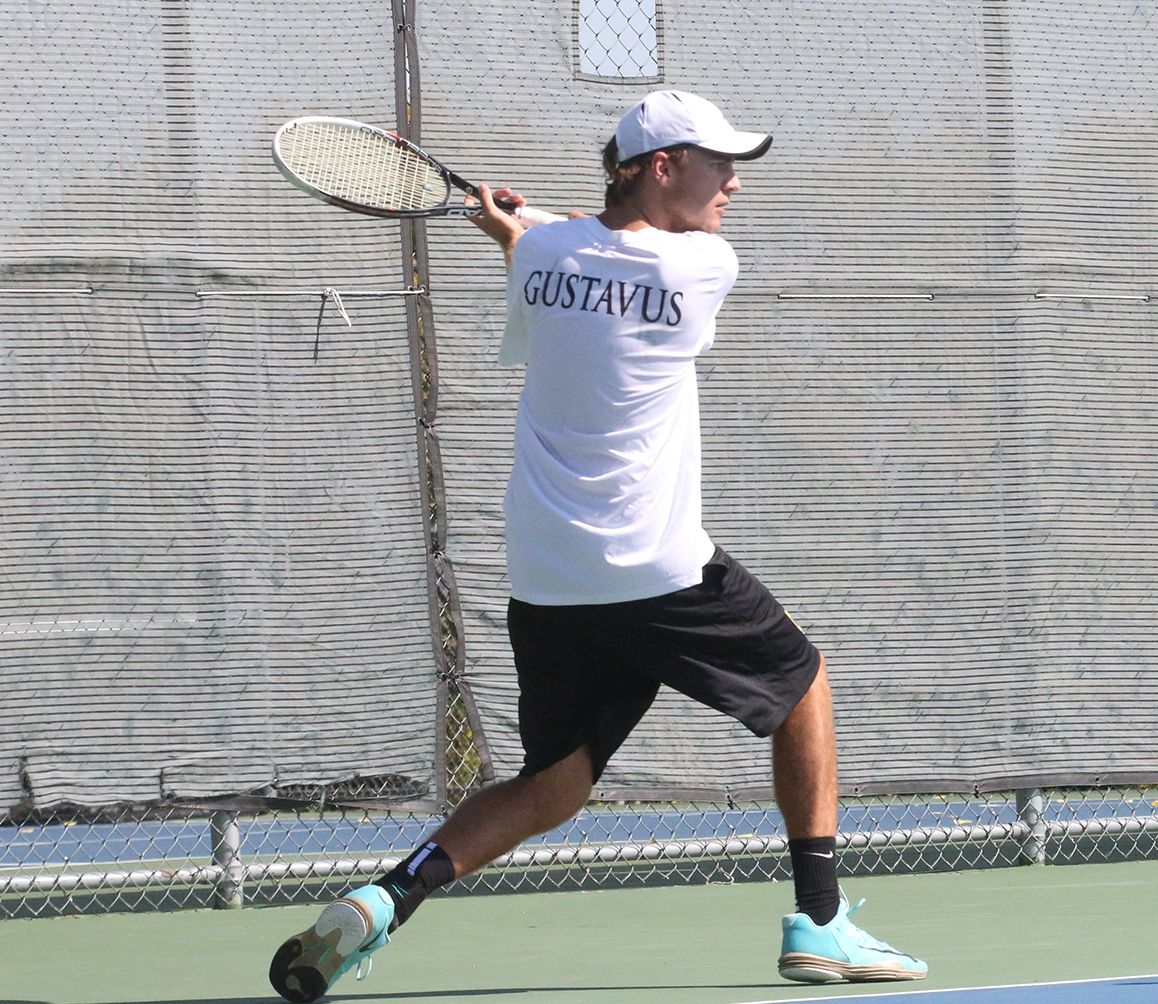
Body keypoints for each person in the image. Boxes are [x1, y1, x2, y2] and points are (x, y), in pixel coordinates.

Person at [268, 90, 927, 1003]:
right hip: (655, 567)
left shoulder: (542, 254)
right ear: (662, 168)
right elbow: (613, 254)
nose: (734, 183)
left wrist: (523, 227)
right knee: (802, 686)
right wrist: (525, 222)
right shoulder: (705, 266)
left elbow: (570, 252)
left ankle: (385, 899)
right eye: (716, 163)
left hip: (548, 576)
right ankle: (821, 921)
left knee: (555, 785)